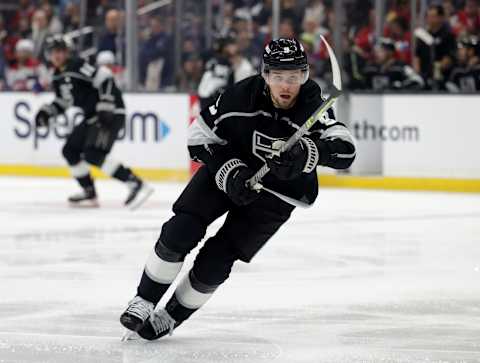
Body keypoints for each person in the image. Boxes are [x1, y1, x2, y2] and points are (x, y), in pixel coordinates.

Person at [119, 38, 356, 340]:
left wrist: (309, 152)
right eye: (279, 77)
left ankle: (171, 316)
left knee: (217, 262)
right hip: (228, 171)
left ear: (305, 76)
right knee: (181, 230)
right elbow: (196, 138)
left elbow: (346, 151)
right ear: (265, 75)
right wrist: (228, 172)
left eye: (295, 77)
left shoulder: (314, 104)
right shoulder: (239, 96)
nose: (287, 85)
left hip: (276, 196)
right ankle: (144, 300)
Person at [35, 35, 153, 209]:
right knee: (70, 150)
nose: (57, 55)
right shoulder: (57, 76)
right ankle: (89, 192)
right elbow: (64, 102)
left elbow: (105, 77)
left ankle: (136, 183)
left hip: (110, 113)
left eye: (61, 51)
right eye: (54, 52)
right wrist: (48, 112)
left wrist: (106, 103)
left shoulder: (77, 65)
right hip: (92, 116)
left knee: (93, 154)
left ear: (68, 52)